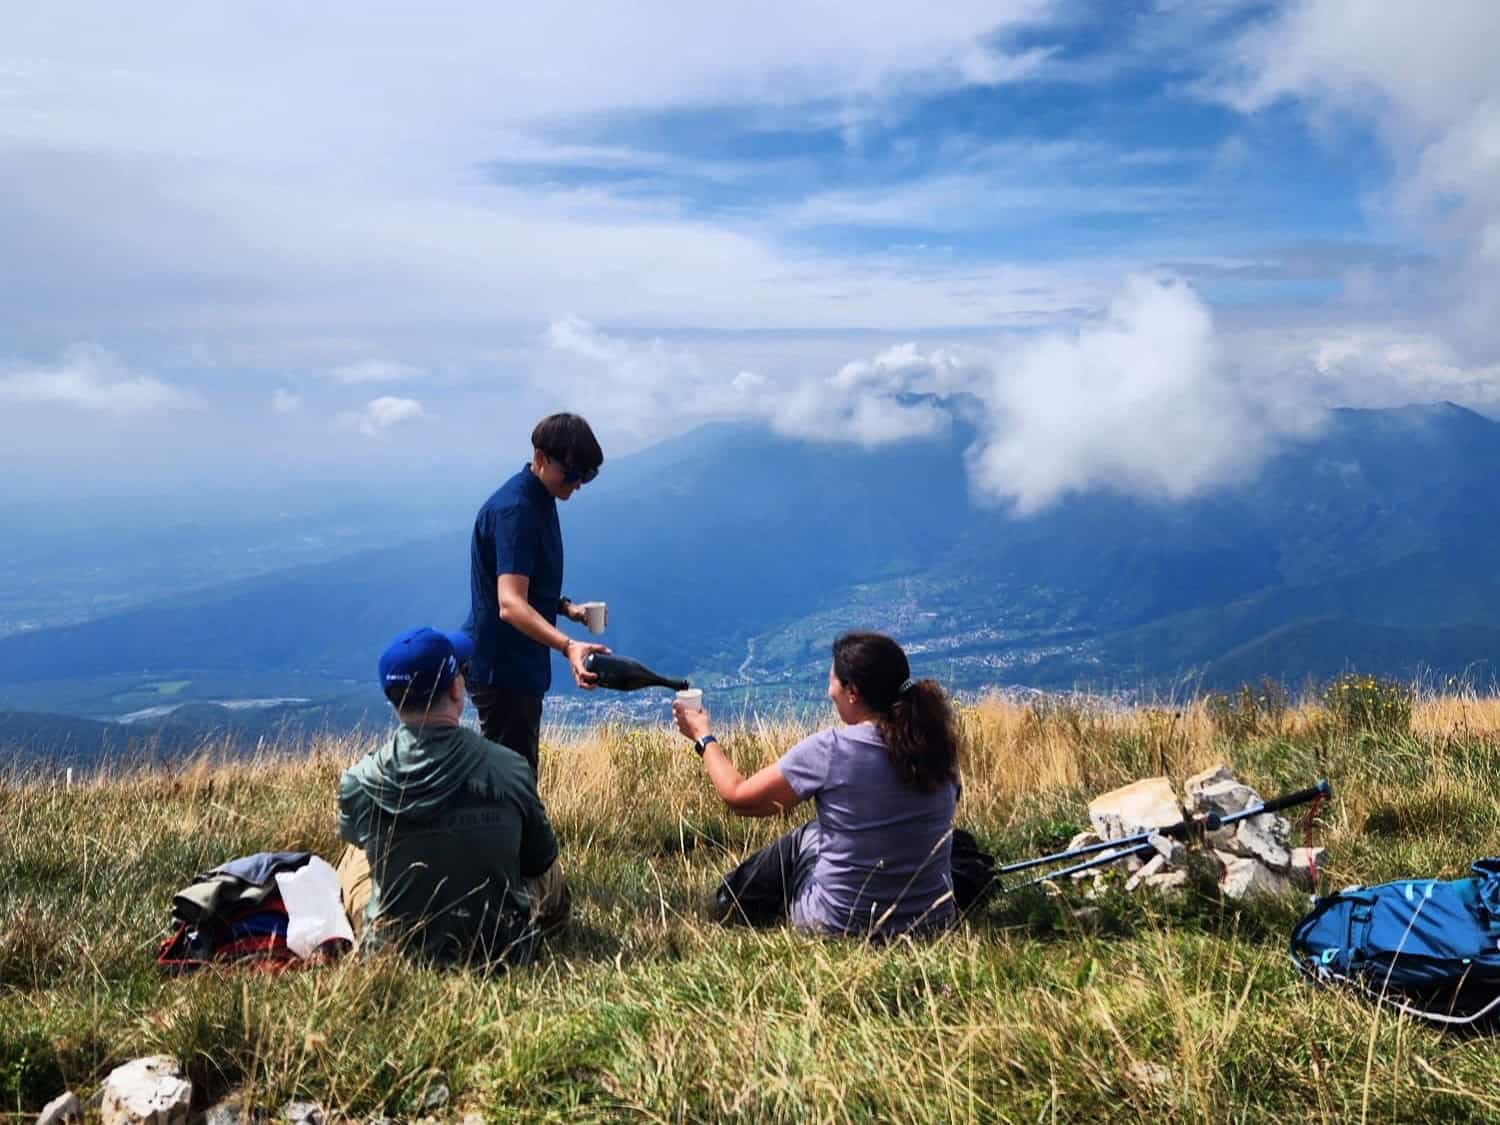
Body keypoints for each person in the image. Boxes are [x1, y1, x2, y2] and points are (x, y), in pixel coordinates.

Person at [672, 631, 962, 939]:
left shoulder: (832, 749)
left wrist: (703, 737)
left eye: (832, 681)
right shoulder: (938, 747)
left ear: (852, 691)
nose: (829, 692)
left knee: (806, 837)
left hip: (838, 924)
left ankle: (731, 898)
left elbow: (739, 796)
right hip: (933, 923)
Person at [337, 627, 569, 970]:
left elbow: (354, 834)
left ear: (393, 700)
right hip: (502, 951)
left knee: (355, 854)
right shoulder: (509, 768)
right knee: (546, 865)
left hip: (395, 957)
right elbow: (539, 860)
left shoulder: (361, 782)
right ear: (456, 689)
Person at [464, 412, 609, 776]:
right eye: (572, 474)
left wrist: (567, 609)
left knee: (514, 776)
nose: (578, 484)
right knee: (513, 783)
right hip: (503, 669)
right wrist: (568, 645)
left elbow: (524, 582)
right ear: (541, 457)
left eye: (587, 476)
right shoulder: (516, 510)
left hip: (517, 664)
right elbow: (510, 604)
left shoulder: (541, 497)